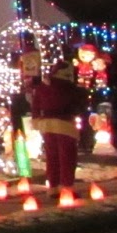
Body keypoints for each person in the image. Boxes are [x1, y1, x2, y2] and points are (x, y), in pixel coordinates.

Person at [30, 65, 83, 194]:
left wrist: (36, 118)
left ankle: (53, 186)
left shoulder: (42, 86)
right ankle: (66, 187)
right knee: (67, 157)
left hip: (46, 124)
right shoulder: (68, 87)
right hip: (64, 124)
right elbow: (77, 103)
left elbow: (35, 104)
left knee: (52, 156)